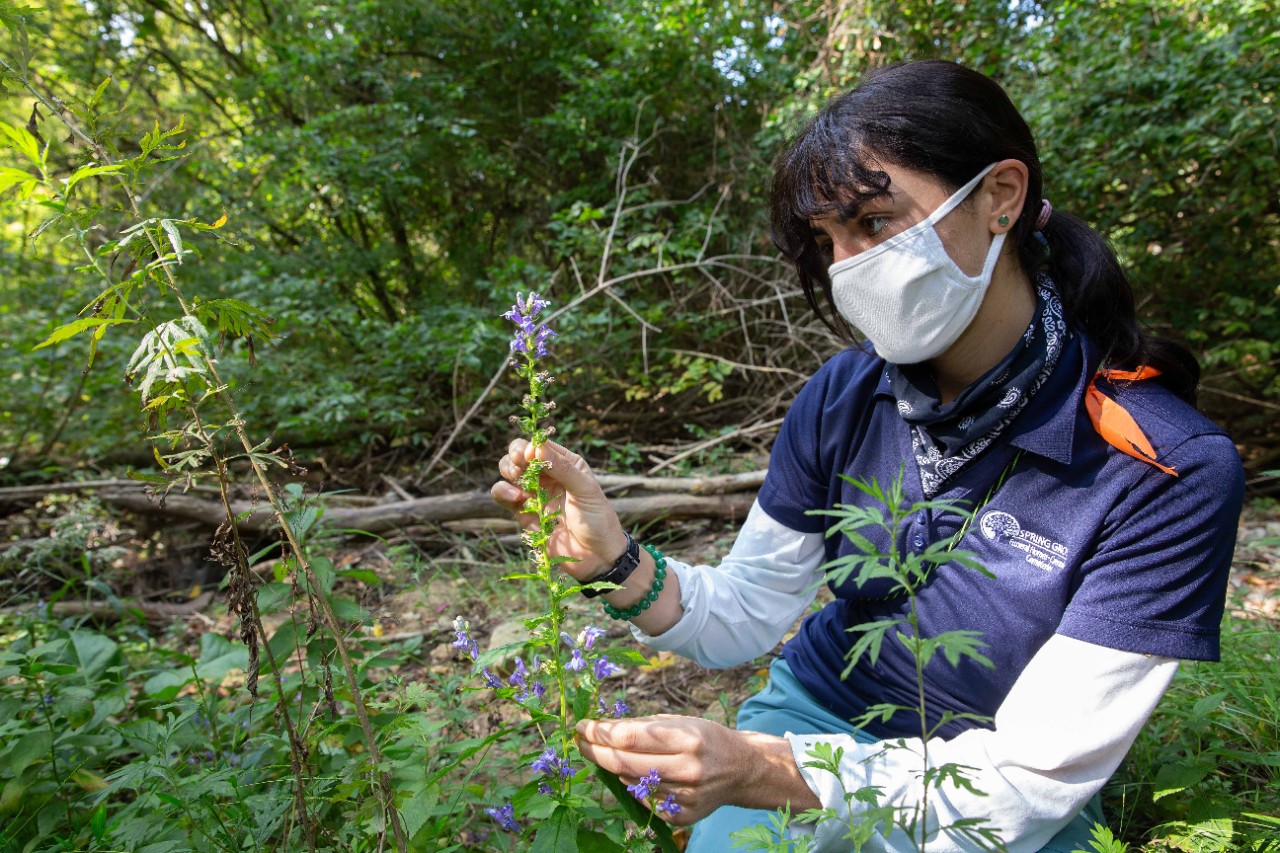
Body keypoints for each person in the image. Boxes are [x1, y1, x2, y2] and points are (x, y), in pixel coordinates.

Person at [491, 60, 1244, 852]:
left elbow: (1029, 783)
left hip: (995, 772)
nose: (849, 265)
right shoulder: (848, 394)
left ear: (1001, 197)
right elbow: (748, 610)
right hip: (817, 713)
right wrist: (615, 562)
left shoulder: (1162, 466)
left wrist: (763, 770)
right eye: (828, 239)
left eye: (875, 222)